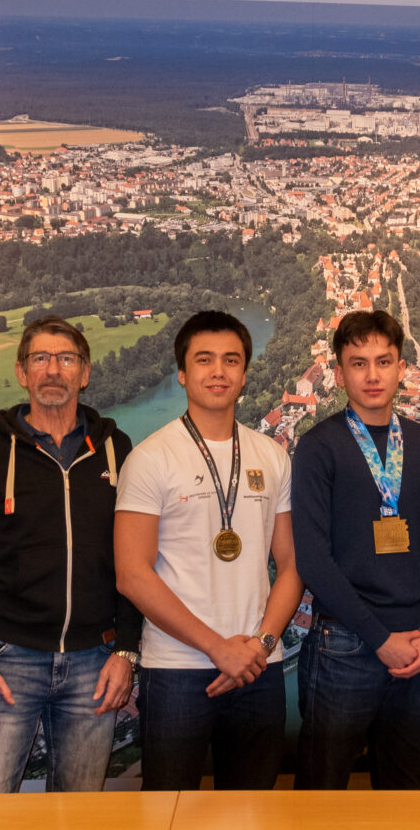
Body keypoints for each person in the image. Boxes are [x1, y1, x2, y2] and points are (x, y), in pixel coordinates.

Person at [0, 316, 139, 793]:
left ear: (84, 373)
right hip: (6, 663)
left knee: (79, 817)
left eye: (66, 359)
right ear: (22, 372)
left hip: (96, 661)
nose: (53, 370)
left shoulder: (115, 449)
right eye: (40, 359)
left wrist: (127, 650)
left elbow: (135, 560)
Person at [113, 310, 300, 790]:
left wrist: (260, 645)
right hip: (177, 670)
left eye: (231, 360)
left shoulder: (271, 455)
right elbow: (132, 574)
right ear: (182, 373)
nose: (218, 371)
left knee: (253, 811)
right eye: (204, 359)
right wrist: (218, 649)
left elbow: (293, 566)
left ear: (243, 374)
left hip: (258, 667)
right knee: (168, 812)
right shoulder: (151, 457)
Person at [291, 310, 420, 790]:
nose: (373, 374)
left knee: (405, 792)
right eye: (358, 363)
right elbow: (314, 561)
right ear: (339, 374)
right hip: (344, 645)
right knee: (322, 792)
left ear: (402, 368)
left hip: (417, 646)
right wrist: (381, 639)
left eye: (384, 361)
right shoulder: (318, 447)